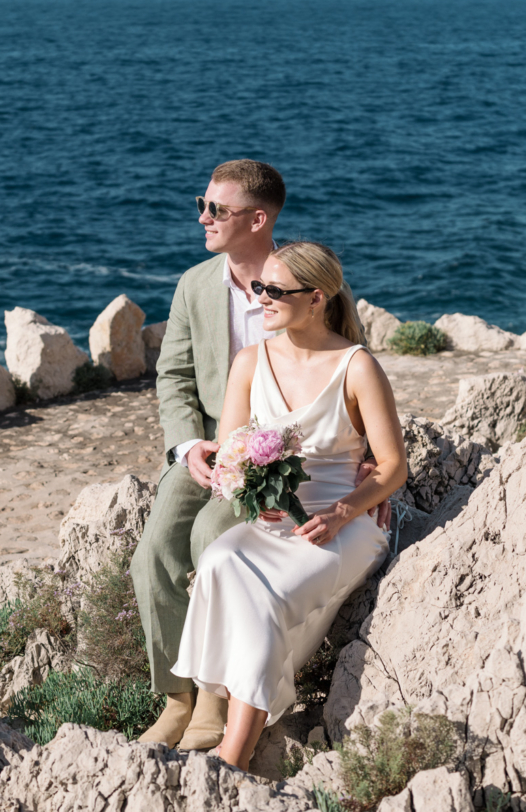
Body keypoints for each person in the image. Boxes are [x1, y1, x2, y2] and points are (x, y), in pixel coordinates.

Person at [170, 241, 405, 771]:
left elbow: (393, 466)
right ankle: (234, 720)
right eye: (259, 287)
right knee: (219, 561)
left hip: (342, 523)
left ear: (317, 297)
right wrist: (252, 496)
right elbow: (232, 453)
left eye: (275, 290)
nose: (261, 299)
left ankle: (235, 752)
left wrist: (347, 508)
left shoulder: (357, 366)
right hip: (271, 520)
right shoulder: (250, 361)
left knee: (266, 599)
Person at [131, 159, 287, 750]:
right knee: (153, 558)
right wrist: (188, 446)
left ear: (257, 218)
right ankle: (176, 697)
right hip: (206, 452)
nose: (203, 217)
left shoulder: (304, 278)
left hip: (277, 460)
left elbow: (344, 367)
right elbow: (172, 377)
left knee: (211, 544)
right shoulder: (196, 284)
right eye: (203, 202)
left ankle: (215, 697)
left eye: (216, 209)